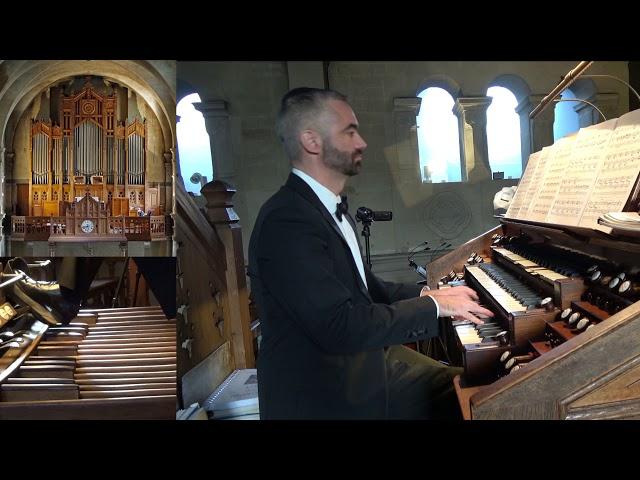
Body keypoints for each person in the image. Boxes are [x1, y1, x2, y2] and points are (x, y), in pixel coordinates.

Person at [248, 87, 494, 420]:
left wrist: (428, 293)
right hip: (325, 394)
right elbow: (339, 325)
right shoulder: (288, 220)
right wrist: (435, 306)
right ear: (312, 141)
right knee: (476, 392)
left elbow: (368, 290)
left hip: (353, 368)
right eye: (349, 132)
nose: (362, 142)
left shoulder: (324, 208)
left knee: (477, 382)